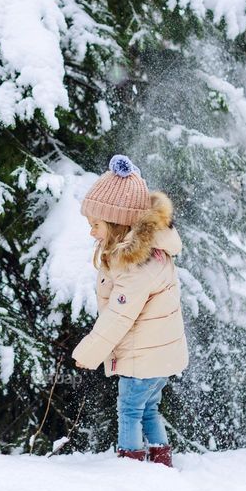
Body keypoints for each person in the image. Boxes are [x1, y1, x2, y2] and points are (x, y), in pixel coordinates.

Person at [72, 154, 188, 467]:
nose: (92, 232)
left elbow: (119, 316)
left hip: (143, 357)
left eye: (96, 225)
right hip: (157, 355)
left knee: (129, 411)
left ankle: (130, 466)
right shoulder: (151, 252)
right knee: (148, 409)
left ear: (116, 222)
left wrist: (89, 351)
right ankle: (161, 460)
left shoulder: (135, 264)